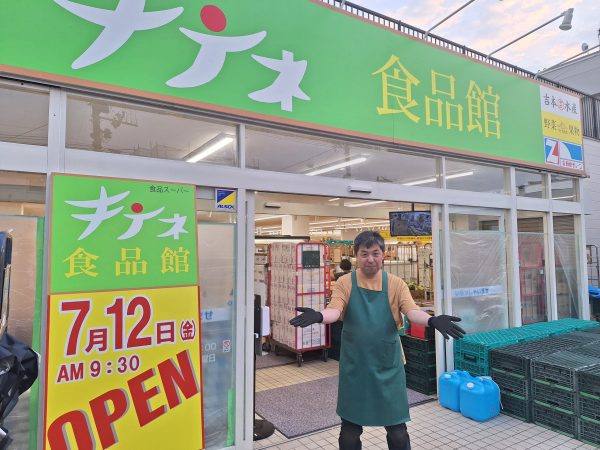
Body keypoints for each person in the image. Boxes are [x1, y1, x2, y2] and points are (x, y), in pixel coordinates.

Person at [290, 231, 465, 450]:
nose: (370, 259)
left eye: (375, 253)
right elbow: (334, 310)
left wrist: (431, 320)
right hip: (355, 367)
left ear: (383, 255)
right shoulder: (345, 283)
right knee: (349, 433)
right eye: (364, 254)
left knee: (398, 432)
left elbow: (411, 312)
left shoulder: (395, 284)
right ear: (356, 256)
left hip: (388, 367)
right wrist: (319, 316)